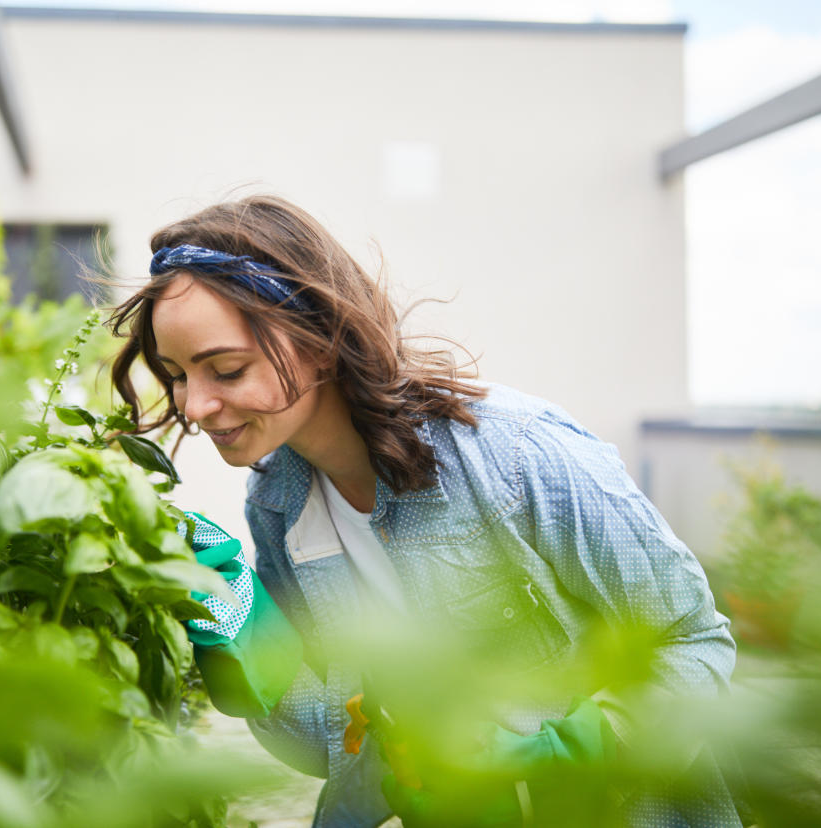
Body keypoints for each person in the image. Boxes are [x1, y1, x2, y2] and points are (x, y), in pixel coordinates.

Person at [108, 195, 742, 827]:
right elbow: (333, 745)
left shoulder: (514, 455)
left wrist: (569, 756)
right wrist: (247, 632)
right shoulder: (277, 504)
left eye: (226, 369)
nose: (194, 406)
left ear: (319, 339)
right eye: (177, 375)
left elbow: (693, 642)